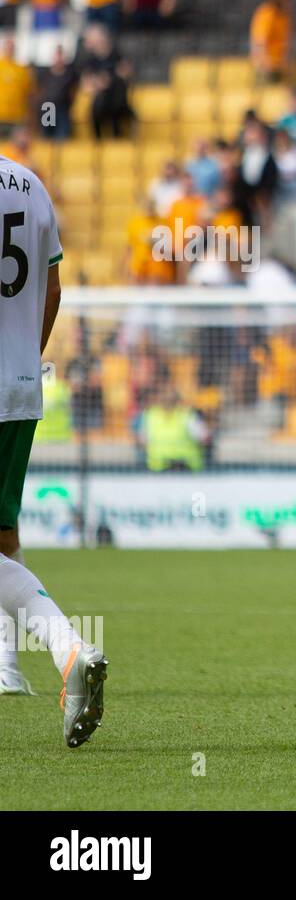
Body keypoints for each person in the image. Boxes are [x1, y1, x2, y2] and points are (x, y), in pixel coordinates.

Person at [0, 151, 109, 744]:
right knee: (1, 535)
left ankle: (67, 649)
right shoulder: (29, 183)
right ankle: (9, 666)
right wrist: (20, 360)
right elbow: (53, 287)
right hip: (19, 390)